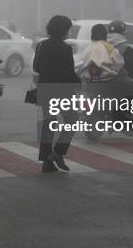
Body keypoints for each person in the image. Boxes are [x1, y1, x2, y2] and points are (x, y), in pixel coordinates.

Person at [33, 15, 80, 173]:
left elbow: (37, 67)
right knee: (72, 118)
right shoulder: (66, 48)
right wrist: (79, 85)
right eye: (68, 28)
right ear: (63, 29)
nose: (69, 31)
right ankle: (58, 152)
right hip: (62, 91)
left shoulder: (41, 45)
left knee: (49, 123)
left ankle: (47, 162)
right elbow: (69, 73)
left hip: (45, 89)